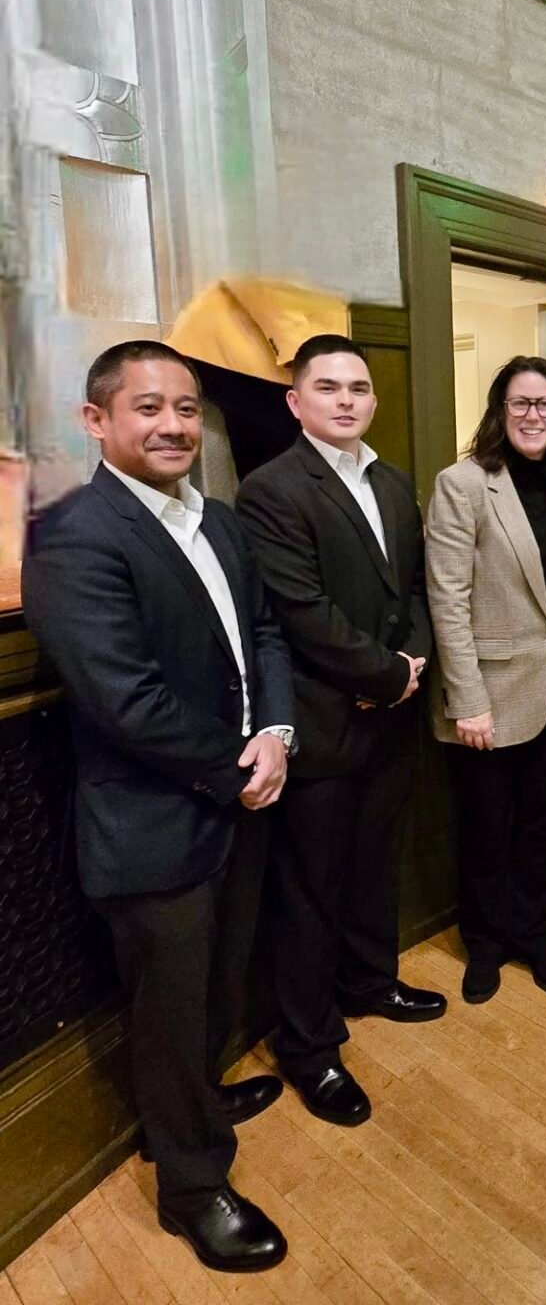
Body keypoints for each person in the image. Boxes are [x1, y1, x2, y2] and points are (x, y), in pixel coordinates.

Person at [21, 342, 293, 1273]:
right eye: (148, 408)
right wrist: (237, 762)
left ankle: (195, 1107)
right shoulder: (69, 534)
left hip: (243, 793)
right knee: (171, 1005)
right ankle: (191, 1183)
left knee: (218, 982)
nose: (174, 424)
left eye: (185, 407)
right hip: (154, 819)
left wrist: (279, 736)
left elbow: (261, 632)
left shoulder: (217, 521)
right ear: (97, 421)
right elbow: (125, 700)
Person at [235, 335, 444, 1129]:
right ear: (296, 402)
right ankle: (308, 1044)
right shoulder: (271, 489)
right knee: (309, 891)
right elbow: (300, 612)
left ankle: (369, 981)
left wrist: (413, 661)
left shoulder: (392, 482)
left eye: (358, 386)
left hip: (392, 717)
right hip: (323, 726)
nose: (347, 399)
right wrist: (387, 675)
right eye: (328, 387)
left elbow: (415, 589)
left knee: (371, 867)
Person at [426, 356, 546, 1005]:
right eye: (519, 403)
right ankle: (486, 944)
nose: (532, 416)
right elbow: (447, 598)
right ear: (498, 411)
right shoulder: (463, 484)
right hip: (485, 702)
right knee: (486, 831)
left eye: (544, 404)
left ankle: (535, 935)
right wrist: (467, 700)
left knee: (542, 827)